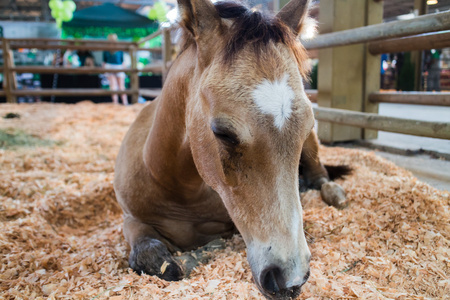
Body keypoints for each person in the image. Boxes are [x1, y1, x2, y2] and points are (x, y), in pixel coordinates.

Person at [103, 34, 128, 105]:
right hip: (115, 66)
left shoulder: (107, 49)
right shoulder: (118, 49)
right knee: (120, 86)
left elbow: (104, 62)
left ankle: (116, 103)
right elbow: (122, 61)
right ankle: (124, 102)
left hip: (114, 67)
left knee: (114, 85)